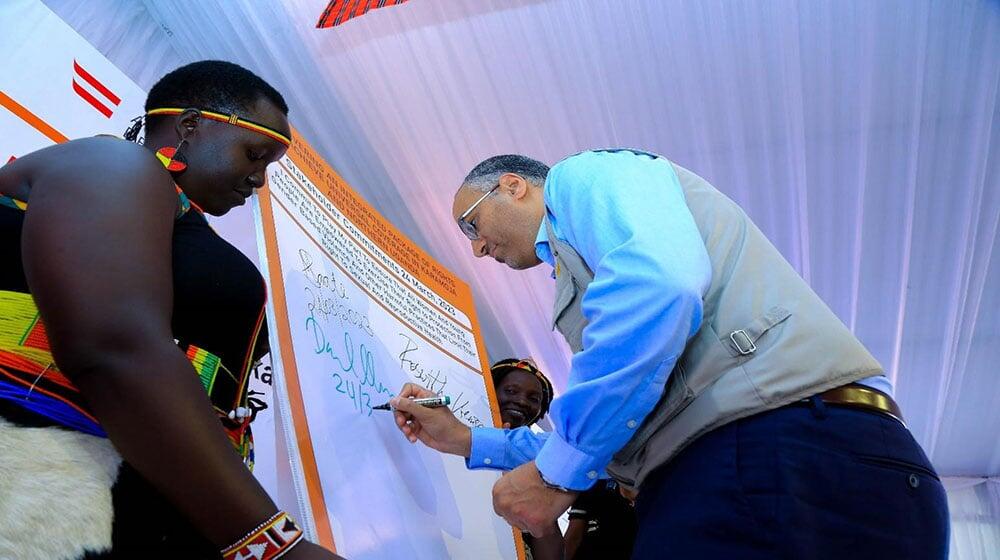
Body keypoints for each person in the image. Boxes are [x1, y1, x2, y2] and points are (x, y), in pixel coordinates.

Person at [391, 149, 949, 559]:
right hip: (820, 460)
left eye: (472, 224)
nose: (477, 248)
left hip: (763, 458)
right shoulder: (581, 259)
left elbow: (660, 287)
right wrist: (468, 440)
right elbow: (622, 423)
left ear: (514, 186)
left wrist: (554, 475)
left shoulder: (583, 178)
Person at [0, 61, 342, 560]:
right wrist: (273, 548)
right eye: (255, 154)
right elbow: (114, 349)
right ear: (189, 125)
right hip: (42, 494)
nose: (260, 179)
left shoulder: (171, 219)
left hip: (131, 504)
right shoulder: (111, 164)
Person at [490, 358, 637, 560]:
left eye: (534, 398)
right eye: (511, 391)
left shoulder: (543, 466)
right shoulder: (453, 434)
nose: (522, 401)